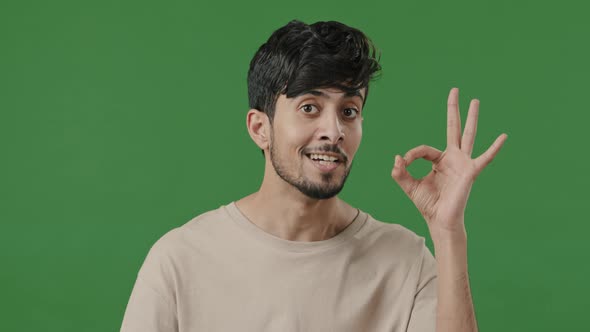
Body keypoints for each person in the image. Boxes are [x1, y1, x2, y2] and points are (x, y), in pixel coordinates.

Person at [120, 19, 507, 332]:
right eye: (309, 107)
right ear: (260, 128)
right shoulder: (179, 262)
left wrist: (449, 235)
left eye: (349, 111)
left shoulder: (405, 262)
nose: (334, 130)